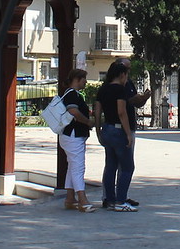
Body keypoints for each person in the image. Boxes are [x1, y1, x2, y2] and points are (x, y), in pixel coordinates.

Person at [95, 59, 139, 212]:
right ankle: (121, 200)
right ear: (121, 75)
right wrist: (128, 134)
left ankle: (110, 199)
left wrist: (98, 130)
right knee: (127, 167)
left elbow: (97, 111)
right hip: (119, 130)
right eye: (126, 75)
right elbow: (122, 112)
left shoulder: (103, 89)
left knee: (110, 166)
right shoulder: (120, 90)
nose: (126, 78)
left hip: (107, 128)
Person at [55, 68, 95, 212]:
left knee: (72, 167)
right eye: (84, 78)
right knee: (78, 167)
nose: (85, 81)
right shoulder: (72, 95)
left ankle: (70, 198)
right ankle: (82, 200)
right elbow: (74, 111)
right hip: (73, 135)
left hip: (69, 135)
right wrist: (87, 122)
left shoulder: (70, 94)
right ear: (77, 79)